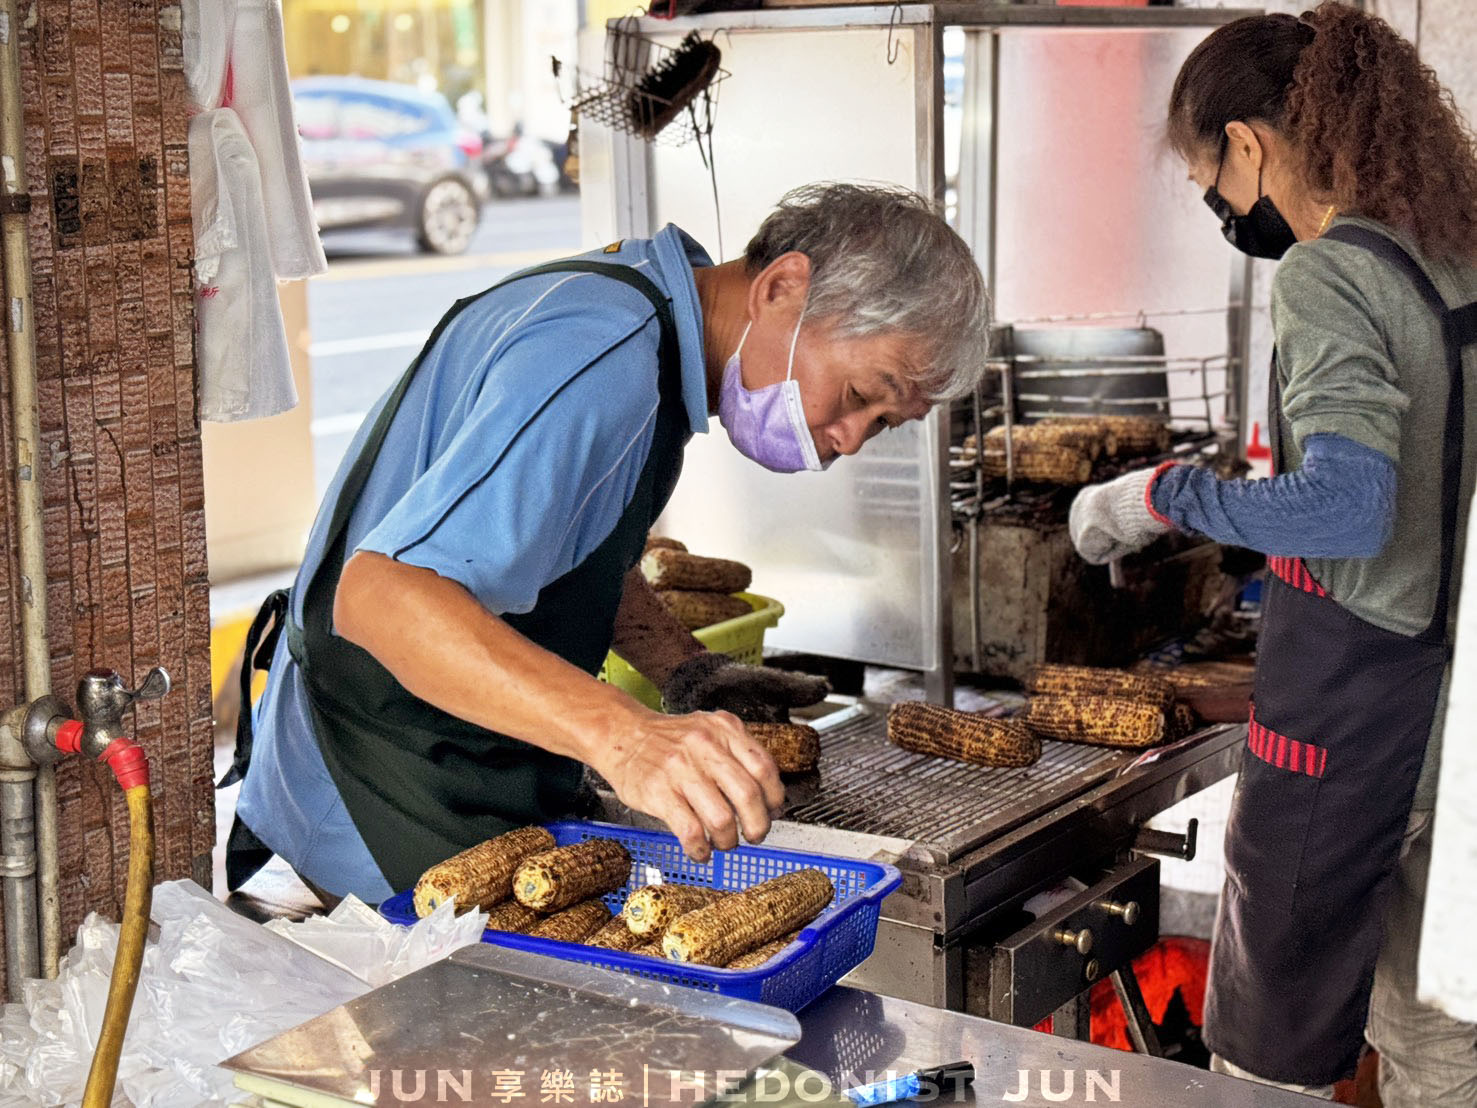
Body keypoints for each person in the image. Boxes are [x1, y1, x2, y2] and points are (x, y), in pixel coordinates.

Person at [222, 182, 990, 907]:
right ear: (781, 286)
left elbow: (559, 536)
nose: (849, 441)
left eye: (883, 424)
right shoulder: (603, 356)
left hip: (464, 755)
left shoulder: (646, 321)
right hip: (377, 774)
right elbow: (380, 596)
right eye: (859, 397)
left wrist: (685, 669)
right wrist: (622, 738)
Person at [1069, 6, 1477, 1103]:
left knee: (1259, 1065)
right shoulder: (1451, 253)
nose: (1220, 204)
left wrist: (1161, 495)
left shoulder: (1327, 274)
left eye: (1211, 173)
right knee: (1433, 1031)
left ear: (1247, 143)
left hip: (1350, 722)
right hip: (1453, 721)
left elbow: (1350, 506)